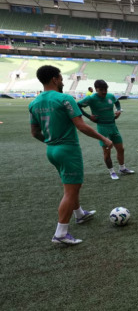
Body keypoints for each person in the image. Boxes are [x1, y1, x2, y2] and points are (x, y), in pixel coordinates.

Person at [29, 65, 113, 245]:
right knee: (71, 190)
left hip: (51, 150)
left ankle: (80, 214)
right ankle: (60, 233)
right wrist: (104, 139)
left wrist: (52, 143)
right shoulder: (65, 98)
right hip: (68, 150)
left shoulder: (34, 103)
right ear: (54, 79)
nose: (62, 80)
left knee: (71, 186)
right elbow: (81, 126)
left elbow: (35, 132)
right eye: (60, 77)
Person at [78, 80, 135, 180]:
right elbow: (77, 105)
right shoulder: (91, 98)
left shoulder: (110, 96)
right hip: (102, 127)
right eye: (101, 90)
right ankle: (112, 171)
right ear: (96, 89)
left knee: (121, 149)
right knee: (107, 151)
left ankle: (122, 168)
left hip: (113, 126)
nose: (104, 92)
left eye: (105, 89)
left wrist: (118, 110)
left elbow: (117, 102)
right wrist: (89, 116)